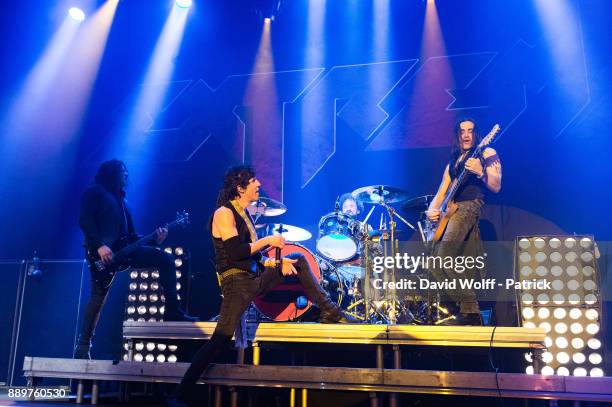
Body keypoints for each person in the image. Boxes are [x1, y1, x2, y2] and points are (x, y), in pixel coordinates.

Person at [167, 165, 353, 407]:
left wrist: (278, 261)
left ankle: (329, 310)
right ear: (240, 187)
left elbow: (254, 258)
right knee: (220, 339)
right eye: (253, 181)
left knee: (298, 260)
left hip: (252, 279)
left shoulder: (245, 215)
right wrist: (268, 241)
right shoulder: (224, 213)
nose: (258, 185)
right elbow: (235, 253)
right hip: (236, 283)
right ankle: (179, 394)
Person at [75, 159, 197, 359]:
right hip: (102, 255)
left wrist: (156, 240)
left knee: (165, 259)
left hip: (124, 252)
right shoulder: (94, 192)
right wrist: (99, 245)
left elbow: (132, 237)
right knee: (98, 299)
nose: (126, 175)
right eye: (122, 171)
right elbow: (85, 221)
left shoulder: (123, 202)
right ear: (111, 172)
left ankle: (173, 312)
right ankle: (83, 346)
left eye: (126, 172)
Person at [425, 119, 502, 325]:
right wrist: (432, 211)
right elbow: (442, 191)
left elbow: (496, 185)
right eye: (462, 132)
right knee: (434, 264)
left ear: (476, 134)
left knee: (444, 257)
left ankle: (471, 311)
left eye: (470, 131)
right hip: (450, 210)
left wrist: (480, 171)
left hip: (469, 205)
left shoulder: (486, 152)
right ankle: (465, 310)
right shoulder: (453, 162)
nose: (466, 135)